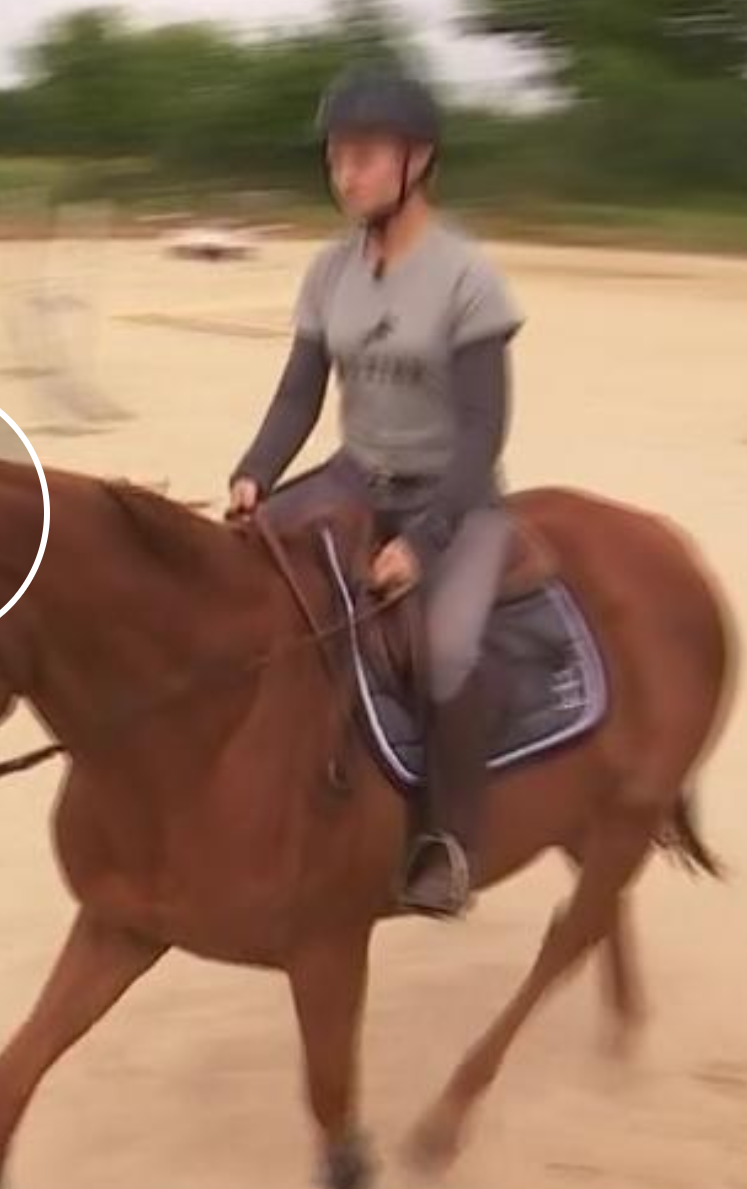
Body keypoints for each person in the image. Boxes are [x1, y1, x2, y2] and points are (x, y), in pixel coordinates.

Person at [227, 64, 525, 919]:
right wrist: (254, 472)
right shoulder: (328, 272)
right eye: (335, 158)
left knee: (443, 654)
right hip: (354, 476)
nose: (344, 173)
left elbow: (481, 433)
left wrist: (422, 541)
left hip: (455, 495)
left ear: (417, 160)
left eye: (362, 156)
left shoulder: (468, 277)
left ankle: (450, 841)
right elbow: (297, 394)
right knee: (249, 585)